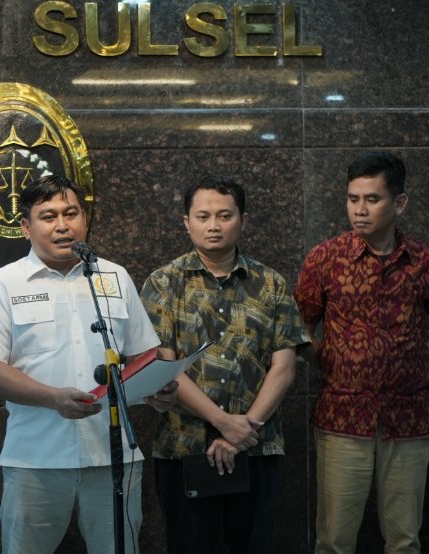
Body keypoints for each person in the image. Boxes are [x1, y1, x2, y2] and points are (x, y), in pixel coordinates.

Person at [0, 174, 178, 554]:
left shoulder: (114, 276)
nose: (62, 225)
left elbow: (143, 356)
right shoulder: (4, 283)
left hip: (114, 457)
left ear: (84, 218)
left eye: (71, 213)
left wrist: (159, 389)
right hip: (36, 458)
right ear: (26, 227)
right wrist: (52, 398)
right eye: (48, 216)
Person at [294, 152, 429, 554]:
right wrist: (332, 366)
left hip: (408, 418)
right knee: (334, 541)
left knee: (404, 540)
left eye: (372, 199)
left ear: (399, 203)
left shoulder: (425, 261)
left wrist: (416, 368)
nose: (359, 209)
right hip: (343, 416)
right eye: (353, 199)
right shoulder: (326, 258)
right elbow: (299, 328)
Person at [139, 176, 311, 553]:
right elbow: (165, 366)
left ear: (243, 220)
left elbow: (284, 368)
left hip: (254, 446)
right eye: (203, 216)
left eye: (224, 215)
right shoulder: (163, 283)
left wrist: (241, 430)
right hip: (184, 447)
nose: (213, 225)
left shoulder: (270, 283)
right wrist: (223, 422)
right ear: (187, 222)